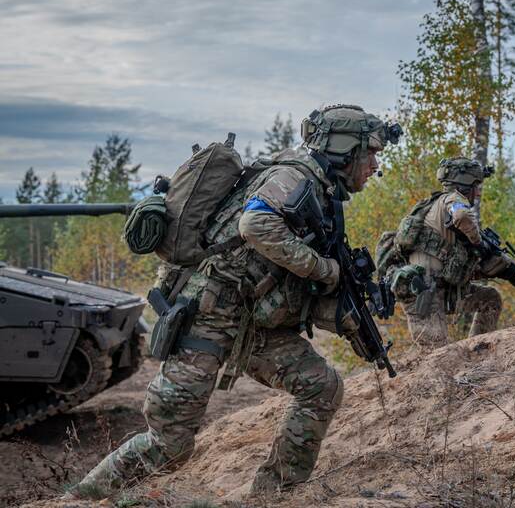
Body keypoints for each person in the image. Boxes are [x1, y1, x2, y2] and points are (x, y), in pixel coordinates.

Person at [72, 104, 398, 498]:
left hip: (253, 323)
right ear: (347, 149)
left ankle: (272, 496)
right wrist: (324, 269)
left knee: (322, 387)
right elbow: (255, 224)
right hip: (207, 318)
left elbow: (288, 275)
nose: (374, 166)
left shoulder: (322, 191)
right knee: (169, 445)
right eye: (372, 154)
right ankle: (77, 498)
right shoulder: (294, 176)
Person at [386, 156, 512, 348]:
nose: (477, 194)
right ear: (465, 186)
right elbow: (461, 214)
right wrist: (477, 242)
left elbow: (449, 262)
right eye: (476, 187)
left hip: (440, 289)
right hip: (423, 290)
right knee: (437, 355)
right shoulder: (453, 199)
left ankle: (476, 353)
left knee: (490, 299)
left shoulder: (434, 205)